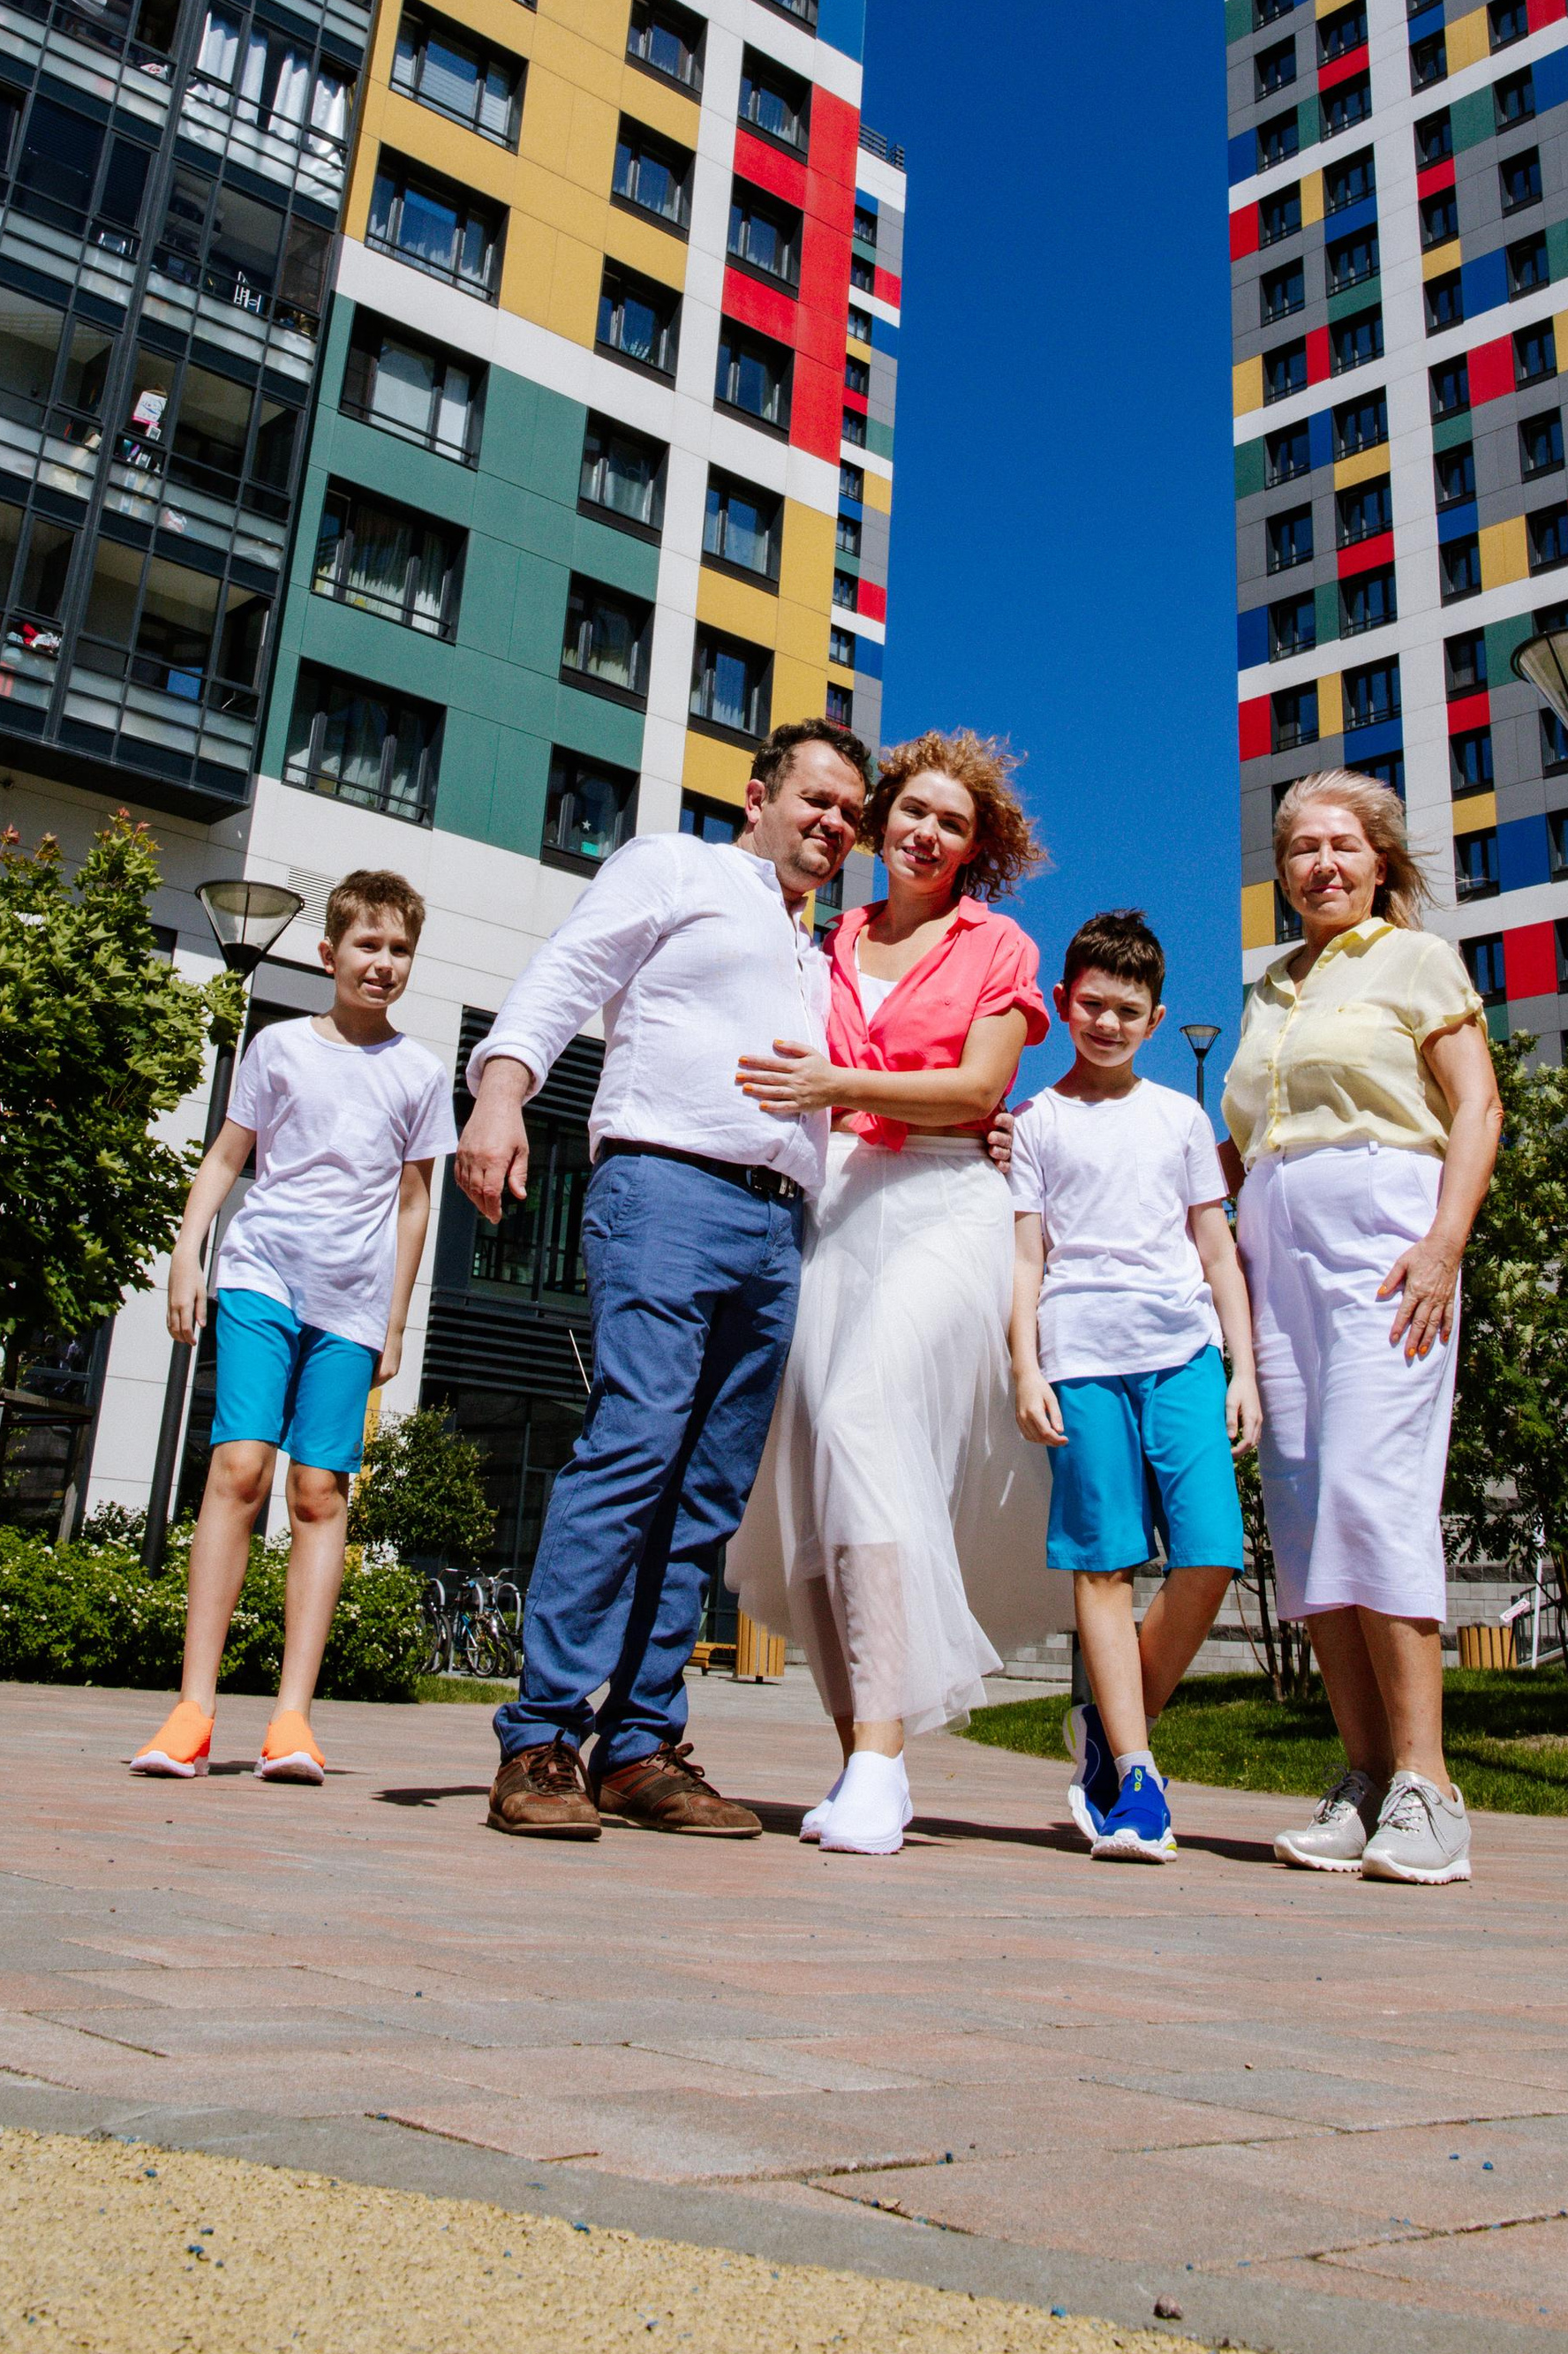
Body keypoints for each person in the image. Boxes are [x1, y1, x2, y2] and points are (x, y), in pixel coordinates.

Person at [456, 720, 871, 1841]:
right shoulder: (675, 866)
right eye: (815, 799)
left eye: (849, 813)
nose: (833, 823)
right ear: (758, 796)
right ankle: (541, 1735)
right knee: (635, 1442)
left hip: (776, 1227)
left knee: (706, 1488)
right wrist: (500, 1093)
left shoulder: (813, 949)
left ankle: (639, 1745)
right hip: (665, 1188)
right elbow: (567, 970)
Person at [728, 730, 1064, 1855]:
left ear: (978, 848)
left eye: (951, 823)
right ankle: (860, 1759)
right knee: (817, 1460)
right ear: (880, 822)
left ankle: (882, 1760)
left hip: (946, 1200)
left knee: (868, 1405)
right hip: (835, 1199)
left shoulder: (998, 944)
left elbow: (976, 1085)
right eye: (911, 812)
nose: (926, 833)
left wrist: (839, 1080)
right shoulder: (830, 937)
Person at [1218, 773, 1500, 1886]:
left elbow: (1475, 1105)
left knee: (1374, 1492)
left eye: (1342, 845)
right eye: (1300, 849)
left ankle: (1430, 1787)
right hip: (1273, 1251)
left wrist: (1444, 1246)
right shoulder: (1268, 989)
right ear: (1281, 872)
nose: (1321, 865)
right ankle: (1366, 1778)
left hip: (1385, 1241)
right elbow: (1235, 1148)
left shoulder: (1415, 961)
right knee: (1298, 1503)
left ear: (1379, 860)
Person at [132, 871, 452, 1785]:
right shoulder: (277, 1049)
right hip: (260, 1275)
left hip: (350, 1304)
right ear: (329, 953)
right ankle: (193, 1708)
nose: (382, 964)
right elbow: (226, 1158)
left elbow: (414, 1204)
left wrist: (394, 1322)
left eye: (398, 951)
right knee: (240, 1468)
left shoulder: (420, 1075)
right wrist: (189, 1254)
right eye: (367, 946)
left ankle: (291, 1721)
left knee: (319, 1493)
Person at [1007, 909, 1260, 1863]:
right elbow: (1026, 1260)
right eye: (1092, 1005)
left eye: (1128, 1009)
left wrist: (1243, 1369)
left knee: (1211, 1553)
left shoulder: (1180, 1118)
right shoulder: (1038, 1123)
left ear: (1155, 1021)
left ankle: (1106, 1737)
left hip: (1184, 1354)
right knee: (1104, 1565)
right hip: (1078, 1358)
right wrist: (1025, 1364)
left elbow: (1217, 1250)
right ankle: (1139, 1780)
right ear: (1064, 1003)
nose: (1107, 1023)